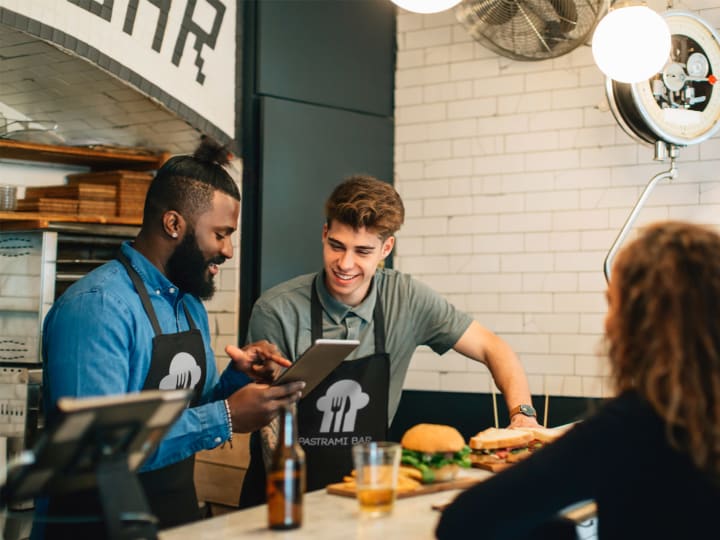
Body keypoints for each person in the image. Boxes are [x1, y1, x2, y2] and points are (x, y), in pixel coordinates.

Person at [35, 137, 304, 538]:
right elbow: (95, 449)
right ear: (174, 224)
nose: (229, 251)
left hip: (174, 520)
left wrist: (236, 380)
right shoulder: (97, 307)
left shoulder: (188, 303)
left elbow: (193, 406)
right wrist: (227, 416)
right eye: (221, 234)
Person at [239, 174, 538, 506]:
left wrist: (523, 416)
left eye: (363, 251)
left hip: (366, 492)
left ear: (386, 248)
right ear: (324, 234)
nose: (345, 263)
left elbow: (492, 347)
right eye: (336, 245)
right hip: (283, 496)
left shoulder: (406, 299)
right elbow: (271, 426)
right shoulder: (277, 309)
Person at [436, 220, 720, 539]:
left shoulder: (632, 424)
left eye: (613, 304)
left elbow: (463, 521)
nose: (607, 322)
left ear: (642, 323)